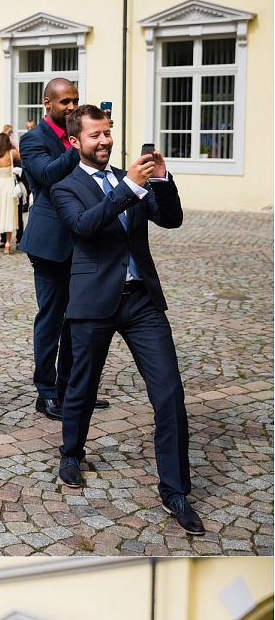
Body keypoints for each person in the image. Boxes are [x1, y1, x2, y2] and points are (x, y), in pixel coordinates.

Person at [48, 105, 199, 536]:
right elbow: (85, 227)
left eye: (108, 132)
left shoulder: (127, 178)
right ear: (75, 142)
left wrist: (162, 181)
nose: (105, 141)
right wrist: (130, 187)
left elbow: (171, 219)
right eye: (95, 135)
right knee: (82, 384)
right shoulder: (66, 187)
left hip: (142, 302)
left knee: (169, 394)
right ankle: (71, 451)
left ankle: (175, 492)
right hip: (94, 300)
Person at [21, 78, 106, 422]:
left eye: (75, 101)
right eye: (65, 102)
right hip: (50, 244)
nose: (71, 107)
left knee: (80, 320)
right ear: (47, 103)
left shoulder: (81, 136)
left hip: (85, 239)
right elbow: (48, 176)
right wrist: (77, 145)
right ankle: (46, 392)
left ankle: (73, 388)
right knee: (52, 320)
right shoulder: (32, 140)